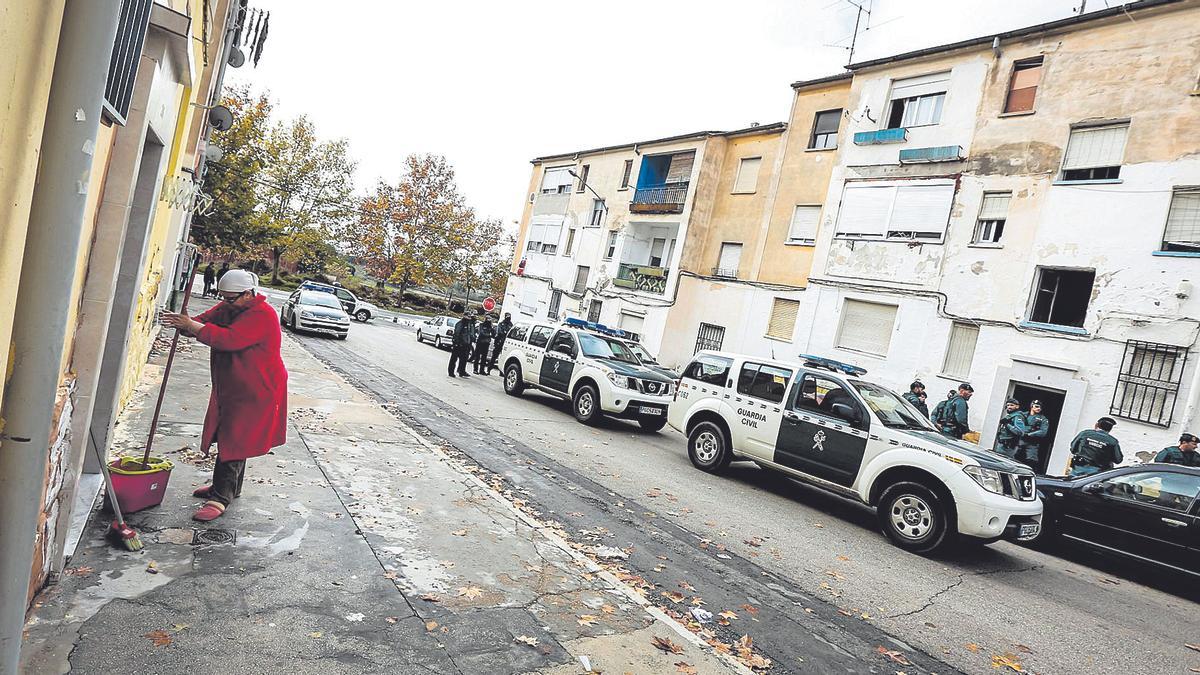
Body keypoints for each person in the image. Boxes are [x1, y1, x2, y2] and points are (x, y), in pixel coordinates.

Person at [162, 269, 288, 522]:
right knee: (230, 435)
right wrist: (185, 323)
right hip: (232, 385)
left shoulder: (263, 314)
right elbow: (204, 322)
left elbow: (228, 339)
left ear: (249, 293)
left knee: (235, 438)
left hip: (257, 388)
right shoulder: (230, 306)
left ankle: (220, 497)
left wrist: (193, 326)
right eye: (224, 297)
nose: (226, 302)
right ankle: (229, 488)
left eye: (231, 298)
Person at [1018, 400, 1051, 470]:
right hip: (1019, 440)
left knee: (1031, 461)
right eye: (1036, 406)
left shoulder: (1043, 419)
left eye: (1040, 407)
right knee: (1013, 456)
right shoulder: (1023, 415)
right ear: (1031, 406)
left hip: (1032, 443)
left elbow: (1043, 432)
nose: (1038, 408)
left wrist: (1030, 434)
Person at [448, 311, 476, 377]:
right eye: (467, 316)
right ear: (464, 316)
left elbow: (469, 334)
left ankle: (462, 371)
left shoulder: (469, 324)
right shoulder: (460, 323)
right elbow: (457, 334)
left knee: (463, 359)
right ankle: (451, 372)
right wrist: (457, 343)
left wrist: (471, 340)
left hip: (466, 344)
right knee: (454, 359)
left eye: (469, 317)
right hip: (459, 344)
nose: (469, 318)